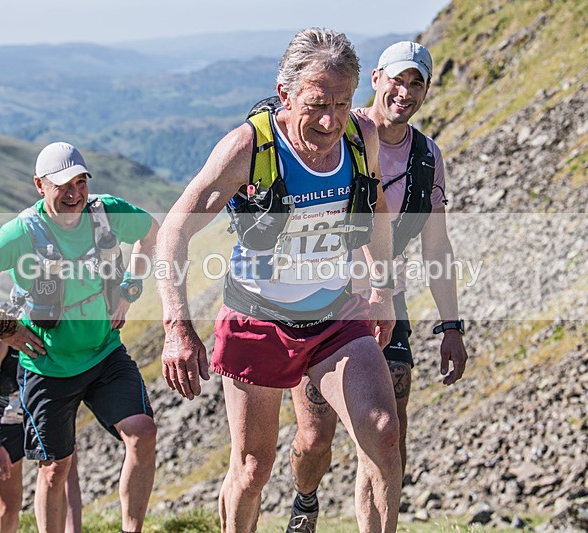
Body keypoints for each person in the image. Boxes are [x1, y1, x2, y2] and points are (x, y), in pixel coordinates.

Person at [157, 28, 403, 533]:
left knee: (382, 433)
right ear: (285, 94)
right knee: (252, 469)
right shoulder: (248, 147)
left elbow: (376, 209)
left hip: (335, 314)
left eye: (342, 102)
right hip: (258, 319)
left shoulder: (362, 138)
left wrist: (381, 287)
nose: (330, 120)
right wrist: (177, 328)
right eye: (315, 104)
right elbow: (172, 234)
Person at [286, 41, 469, 530]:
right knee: (314, 437)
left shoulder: (428, 157)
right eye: (398, 80)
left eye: (416, 84)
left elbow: (437, 247)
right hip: (320, 297)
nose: (404, 92)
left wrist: (452, 326)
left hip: (387, 298)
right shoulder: (337, 129)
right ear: (376, 80)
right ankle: (306, 500)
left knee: (388, 438)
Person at [0, 142, 159, 533]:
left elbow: (152, 232)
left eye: (80, 182)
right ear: (39, 186)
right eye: (63, 185)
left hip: (104, 352)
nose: (75, 193)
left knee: (143, 433)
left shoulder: (106, 212)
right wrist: (2, 326)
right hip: (49, 365)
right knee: (54, 470)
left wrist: (130, 288)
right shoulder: (21, 233)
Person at [0, 336, 83, 533]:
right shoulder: (3, 337)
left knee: (64, 475)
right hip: (5, 425)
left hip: (41, 416)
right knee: (8, 506)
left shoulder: (59, 332)